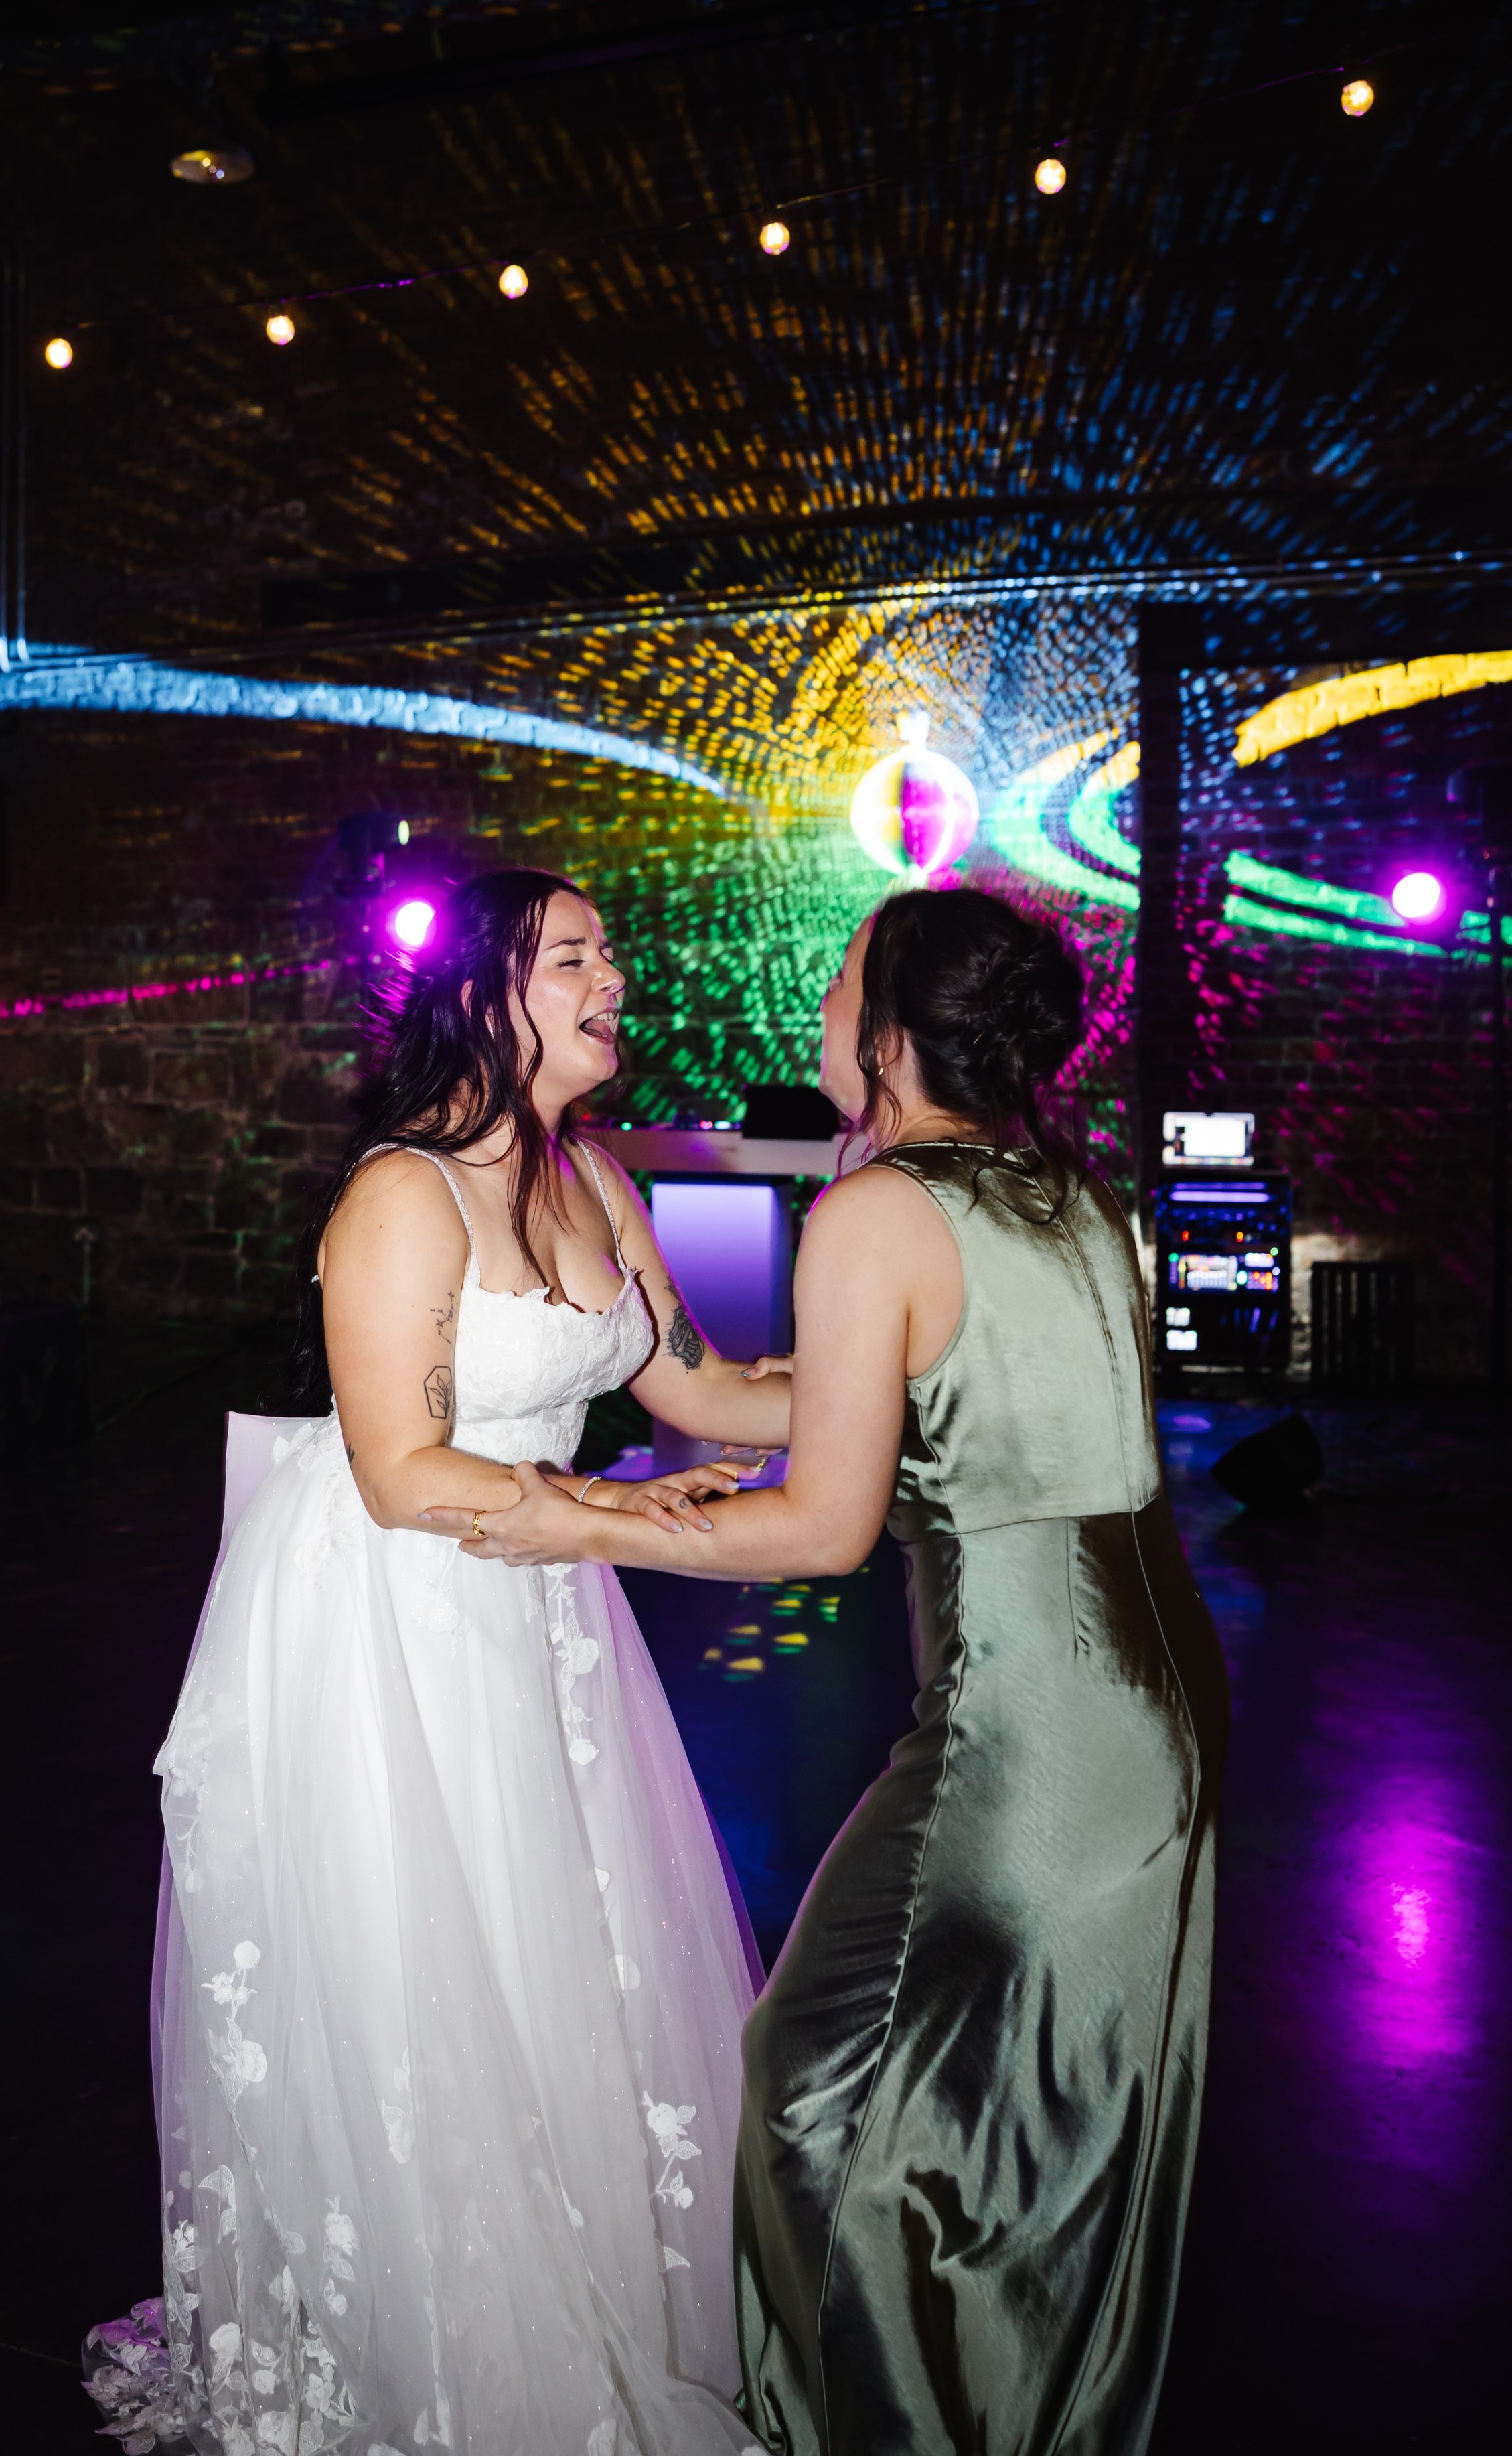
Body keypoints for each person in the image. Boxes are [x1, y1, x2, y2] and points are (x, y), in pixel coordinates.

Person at [429, 886, 1229, 2456]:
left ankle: (878, 2427)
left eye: (843, 975)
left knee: (813, 2082)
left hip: (1028, 1719)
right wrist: (651, 1374)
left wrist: (573, 1520)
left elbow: (820, 1526)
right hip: (1155, 1690)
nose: (819, 999)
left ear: (888, 1028)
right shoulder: (1067, 1192)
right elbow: (808, 1402)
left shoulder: (878, 1211)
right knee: (1045, 2113)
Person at [86, 869, 791, 2456]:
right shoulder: (400, 1194)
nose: (616, 971)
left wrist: (891, 1384)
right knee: (427, 1973)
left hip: (543, 1592)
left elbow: (707, 1386)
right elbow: (400, 1472)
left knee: (560, 1959)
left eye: (609, 948)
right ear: (486, 993)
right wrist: (617, 1520)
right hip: (391, 1615)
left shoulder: (599, 1177)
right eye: (575, 953)